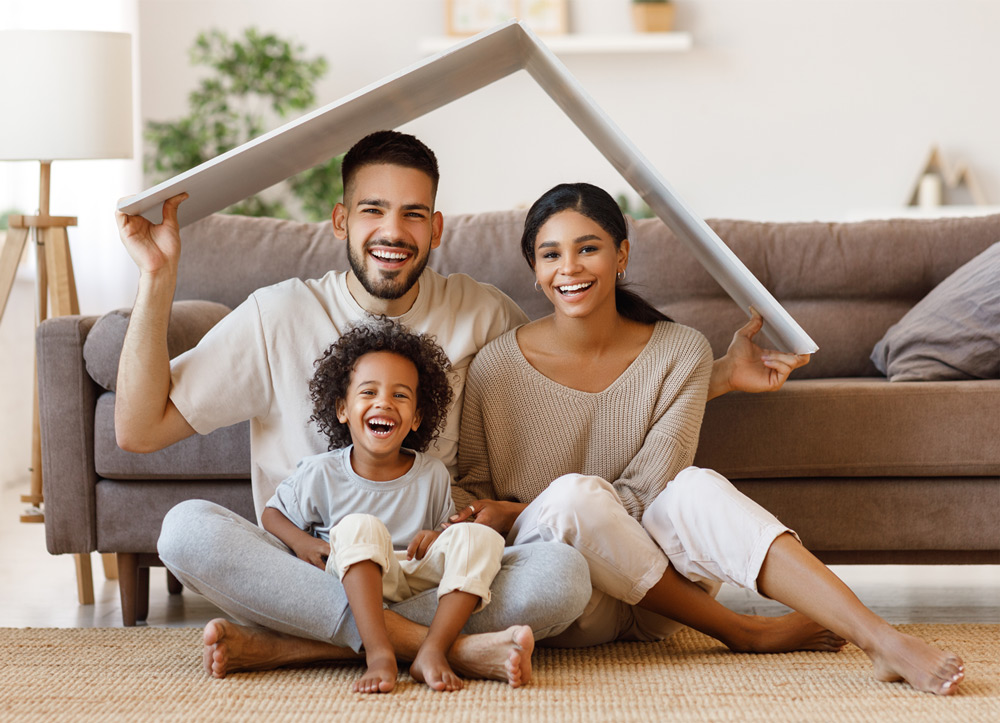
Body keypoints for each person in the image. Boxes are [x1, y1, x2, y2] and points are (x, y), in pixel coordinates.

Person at [114, 130, 807, 680]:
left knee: (561, 575)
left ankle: (308, 646)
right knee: (186, 532)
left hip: (437, 572)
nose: (393, 230)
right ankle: (439, 648)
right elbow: (139, 428)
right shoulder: (276, 315)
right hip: (307, 574)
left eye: (413, 213)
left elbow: (581, 383)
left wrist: (711, 375)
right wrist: (158, 277)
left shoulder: (481, 313)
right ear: (339, 219)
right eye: (373, 210)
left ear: (437, 227)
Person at [451, 182, 966, 696]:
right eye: (550, 254)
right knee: (572, 497)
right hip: (570, 596)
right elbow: (472, 493)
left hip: (663, 603)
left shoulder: (680, 350)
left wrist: (516, 510)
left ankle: (880, 639)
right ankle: (743, 630)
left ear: (621, 254)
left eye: (588, 248)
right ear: (535, 270)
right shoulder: (497, 365)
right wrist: (505, 517)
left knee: (693, 486)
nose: (570, 268)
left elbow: (647, 495)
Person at [262, 317, 512, 693]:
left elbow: (445, 542)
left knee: (481, 539)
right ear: (342, 409)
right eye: (368, 392)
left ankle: (433, 649)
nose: (384, 402)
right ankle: (379, 652)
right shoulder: (321, 473)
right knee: (358, 525)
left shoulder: (432, 474)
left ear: (417, 417)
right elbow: (271, 514)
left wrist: (435, 536)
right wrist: (302, 543)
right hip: (352, 576)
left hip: (412, 580)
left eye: (400, 395)